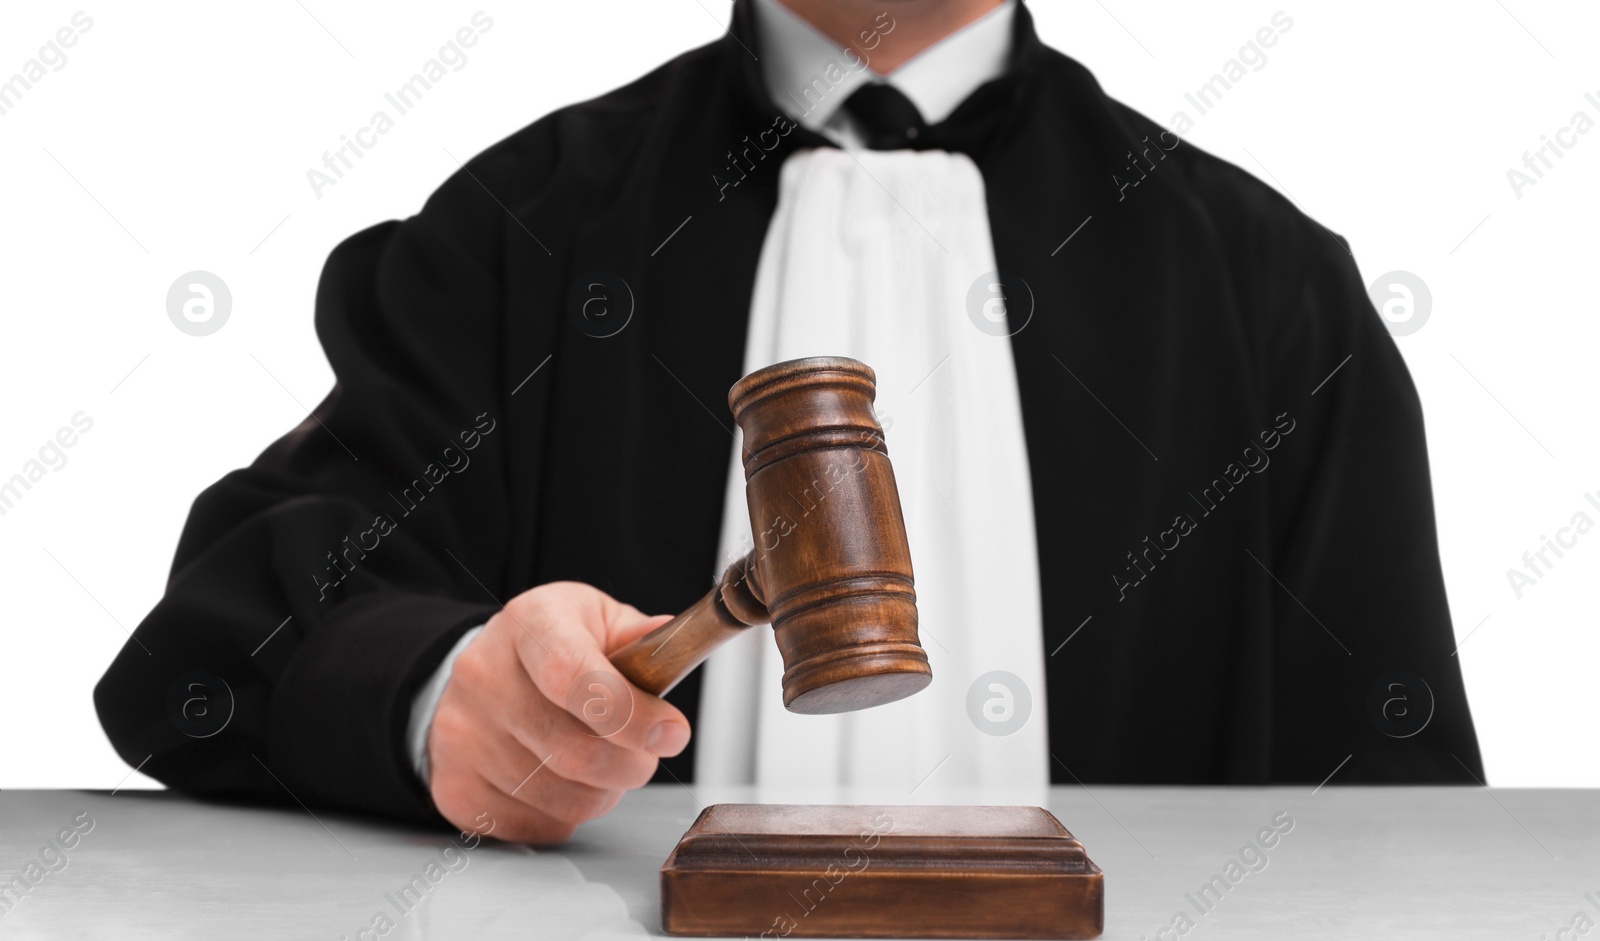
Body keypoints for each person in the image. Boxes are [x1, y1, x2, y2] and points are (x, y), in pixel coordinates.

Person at [96, 0, 1483, 845]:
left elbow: (1403, 818)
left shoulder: (1269, 291)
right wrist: (439, 692)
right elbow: (212, 651)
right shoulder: (526, 231)